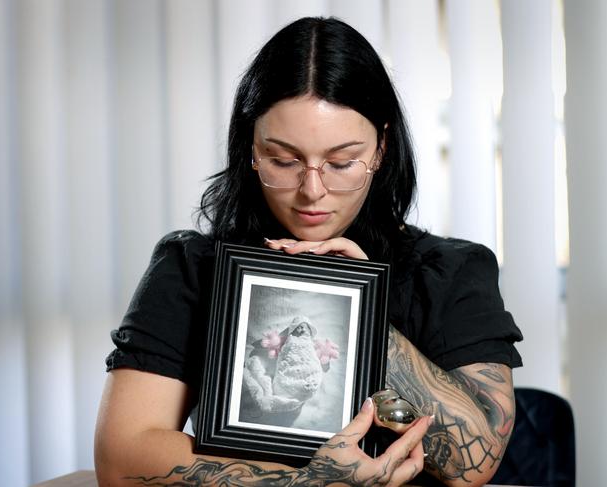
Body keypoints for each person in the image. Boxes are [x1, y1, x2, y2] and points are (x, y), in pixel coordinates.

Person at [94, 16, 523, 487]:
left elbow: (474, 463)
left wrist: (364, 311)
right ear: (250, 149)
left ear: (380, 148)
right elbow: (122, 460)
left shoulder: (452, 270)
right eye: (283, 160)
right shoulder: (193, 267)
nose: (312, 190)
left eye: (341, 162)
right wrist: (314, 482)